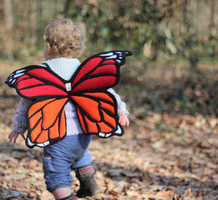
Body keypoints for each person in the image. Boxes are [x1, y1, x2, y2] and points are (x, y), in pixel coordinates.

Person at [8, 18, 130, 200]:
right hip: (84, 132)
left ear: (48, 47)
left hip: (56, 134)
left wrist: (19, 126)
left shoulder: (43, 73)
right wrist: (122, 111)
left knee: (56, 175)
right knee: (79, 156)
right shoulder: (83, 69)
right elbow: (107, 91)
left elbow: (26, 101)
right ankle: (88, 182)